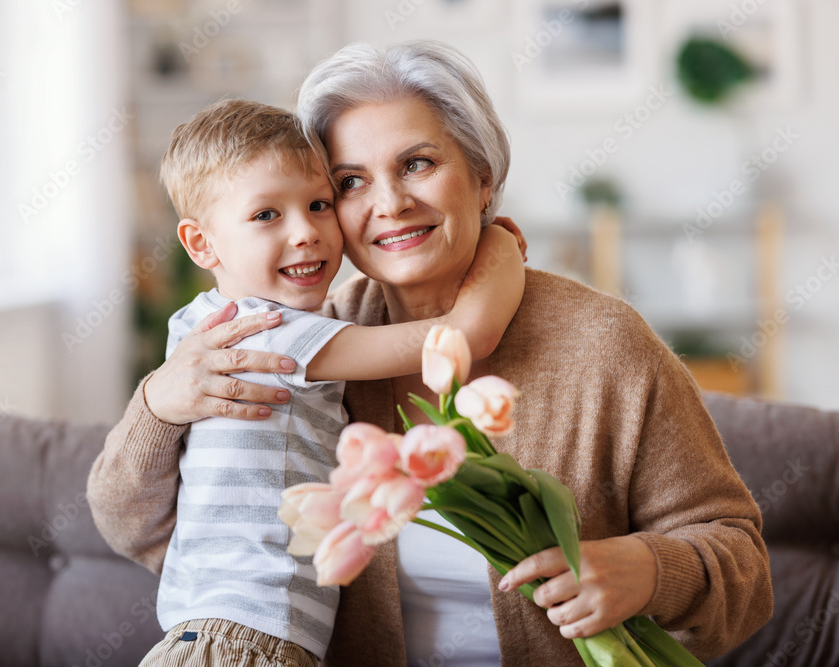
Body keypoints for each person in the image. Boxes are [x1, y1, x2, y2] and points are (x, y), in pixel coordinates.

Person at [88, 42, 772, 666]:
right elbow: (134, 526)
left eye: (417, 163)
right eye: (350, 182)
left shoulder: (605, 344)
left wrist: (650, 569)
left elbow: (743, 568)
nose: (388, 203)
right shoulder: (302, 352)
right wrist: (156, 405)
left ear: (481, 177)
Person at [126, 98, 525, 667]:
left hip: (220, 636)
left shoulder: (200, 325)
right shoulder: (270, 334)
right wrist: (500, 247)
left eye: (318, 204)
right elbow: (461, 338)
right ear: (200, 244)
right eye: (266, 215)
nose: (307, 232)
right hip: (244, 642)